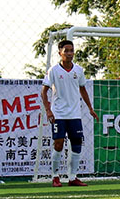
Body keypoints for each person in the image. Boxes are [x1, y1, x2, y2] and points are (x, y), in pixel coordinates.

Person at [41, 39, 98, 187]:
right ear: (60, 53)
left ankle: (72, 177)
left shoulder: (78, 70)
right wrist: (48, 109)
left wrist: (90, 108)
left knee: (77, 143)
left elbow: (83, 89)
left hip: (74, 114)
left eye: (71, 50)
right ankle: (55, 176)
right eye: (66, 50)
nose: (69, 53)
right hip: (58, 114)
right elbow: (44, 91)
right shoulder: (53, 70)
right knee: (58, 144)